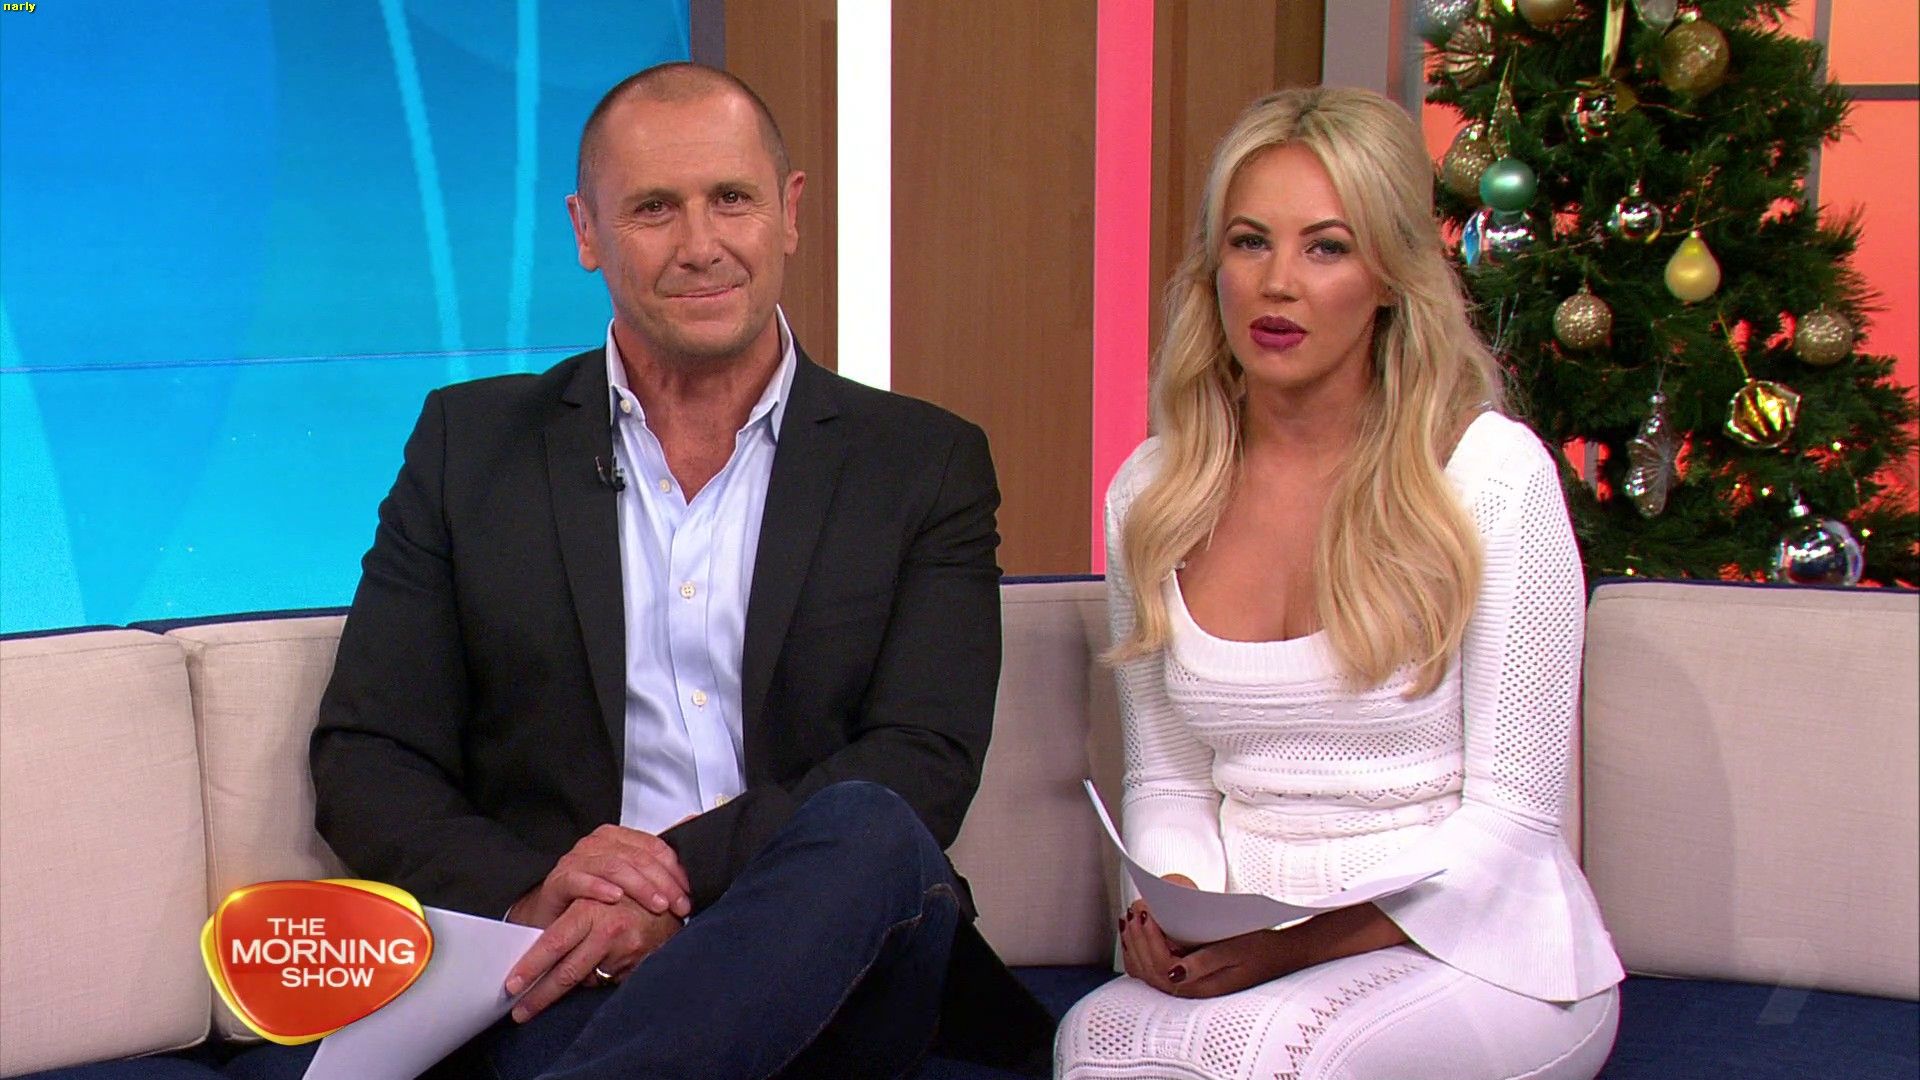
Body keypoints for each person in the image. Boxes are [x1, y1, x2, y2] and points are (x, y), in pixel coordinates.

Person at [264, 62, 1052, 1079]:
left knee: (870, 825)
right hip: (574, 969)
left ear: (789, 213)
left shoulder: (922, 462)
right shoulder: (472, 447)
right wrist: (544, 894)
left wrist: (666, 883)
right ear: (586, 231)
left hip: (837, 955)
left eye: (732, 198)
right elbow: (369, 757)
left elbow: (925, 758)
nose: (700, 244)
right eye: (652, 209)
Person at [1054, 87, 1625, 1080]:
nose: (1278, 283)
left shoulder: (1490, 478)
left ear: (1390, 277)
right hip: (1247, 946)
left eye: (1326, 247)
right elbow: (1169, 781)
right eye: (1250, 242)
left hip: (1481, 949)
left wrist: (1290, 950)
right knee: (1097, 1043)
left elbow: (1513, 827)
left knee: (1268, 1059)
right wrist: (1171, 915)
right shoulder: (1153, 492)